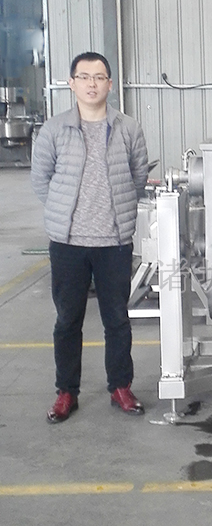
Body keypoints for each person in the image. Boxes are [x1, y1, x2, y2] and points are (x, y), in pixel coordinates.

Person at [31, 51, 149, 423]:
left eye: (99, 77)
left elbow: (139, 176)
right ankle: (66, 391)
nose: (92, 84)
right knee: (68, 320)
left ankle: (120, 387)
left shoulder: (128, 128)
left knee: (117, 319)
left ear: (110, 84)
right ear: (72, 83)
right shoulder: (54, 130)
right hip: (68, 242)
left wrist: (118, 213)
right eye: (84, 77)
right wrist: (64, 212)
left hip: (114, 242)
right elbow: (41, 180)